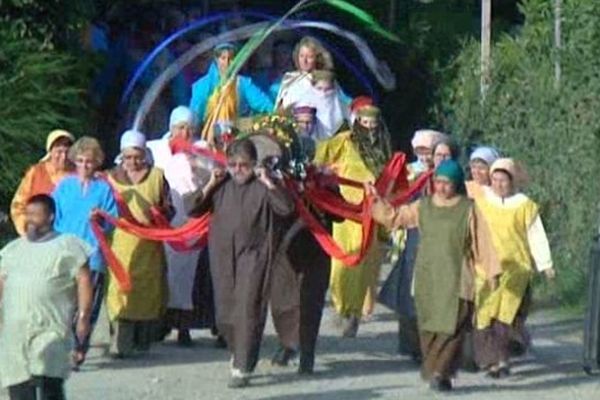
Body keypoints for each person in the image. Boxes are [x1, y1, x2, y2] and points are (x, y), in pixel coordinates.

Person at [369, 160, 500, 392]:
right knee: (429, 328)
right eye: (438, 182)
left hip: (459, 279)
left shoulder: (469, 209)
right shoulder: (424, 206)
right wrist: (376, 201)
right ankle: (436, 370)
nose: (441, 187)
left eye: (446, 183)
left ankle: (441, 372)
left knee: (452, 328)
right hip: (427, 278)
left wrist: (491, 272)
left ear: (457, 184)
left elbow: (483, 242)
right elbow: (395, 217)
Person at [190, 138, 294, 388]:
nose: (238, 169)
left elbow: (286, 208)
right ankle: (237, 351)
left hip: (254, 256)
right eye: (233, 164)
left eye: (244, 165)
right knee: (226, 313)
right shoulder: (221, 184)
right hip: (222, 255)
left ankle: (243, 367)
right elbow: (192, 208)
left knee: (248, 308)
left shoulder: (263, 185)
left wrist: (268, 182)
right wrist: (211, 182)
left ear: (253, 164)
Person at [0, 194, 93, 400]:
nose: (29, 219)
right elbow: (2, 282)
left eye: (35, 214)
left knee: (48, 378)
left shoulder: (68, 245)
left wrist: (84, 317)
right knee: (18, 383)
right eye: (27, 214)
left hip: (51, 326)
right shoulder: (13, 249)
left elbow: (84, 280)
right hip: (15, 329)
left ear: (50, 216)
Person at [313, 103, 391, 337]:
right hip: (345, 210)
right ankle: (340, 307)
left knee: (363, 263)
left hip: (370, 212)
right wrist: (324, 171)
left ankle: (354, 313)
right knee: (341, 260)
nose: (369, 128)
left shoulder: (383, 146)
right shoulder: (346, 140)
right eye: (365, 123)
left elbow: (389, 174)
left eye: (373, 124)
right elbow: (321, 155)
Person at [473, 158, 555, 378]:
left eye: (503, 180)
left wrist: (545, 264)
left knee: (505, 316)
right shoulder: (482, 203)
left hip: (516, 270)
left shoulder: (524, 205)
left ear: (512, 181)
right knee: (484, 315)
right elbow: (472, 233)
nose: (499, 184)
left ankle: (501, 360)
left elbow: (536, 235)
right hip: (486, 269)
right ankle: (490, 359)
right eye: (495, 179)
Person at [378, 128, 449, 361]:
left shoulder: (454, 179)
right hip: (414, 236)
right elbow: (397, 203)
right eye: (422, 151)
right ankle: (415, 346)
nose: (427, 157)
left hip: (445, 245)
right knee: (409, 296)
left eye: (432, 152)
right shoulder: (409, 173)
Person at [52, 136, 119, 368]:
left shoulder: (104, 189)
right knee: (64, 304)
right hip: (65, 253)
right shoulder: (63, 186)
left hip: (93, 255)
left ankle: (80, 348)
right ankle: (65, 346)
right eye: (80, 160)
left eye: (89, 161)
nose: (84, 165)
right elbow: (54, 216)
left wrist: (101, 216)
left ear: (97, 162)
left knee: (87, 307)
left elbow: (113, 220)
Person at [106, 130, 171, 357]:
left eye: (137, 156)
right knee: (121, 291)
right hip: (119, 246)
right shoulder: (110, 178)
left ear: (145, 154)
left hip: (149, 245)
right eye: (128, 157)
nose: (133, 162)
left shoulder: (157, 177)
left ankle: (142, 343)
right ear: (121, 157)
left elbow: (168, 208)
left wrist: (158, 215)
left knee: (146, 293)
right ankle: (120, 345)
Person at [189, 43, 274, 143]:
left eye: (231, 58)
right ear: (216, 60)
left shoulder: (243, 83)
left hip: (236, 135)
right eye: (223, 58)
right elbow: (194, 116)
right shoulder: (203, 85)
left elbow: (265, 105)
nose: (227, 62)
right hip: (208, 137)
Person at [10, 130, 75, 236]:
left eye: (67, 152)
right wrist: (25, 229)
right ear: (51, 152)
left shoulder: (78, 175)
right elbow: (18, 205)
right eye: (59, 152)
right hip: (37, 235)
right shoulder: (36, 172)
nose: (63, 157)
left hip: (66, 237)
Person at [274, 36, 350, 111]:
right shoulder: (291, 78)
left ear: (317, 58)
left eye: (309, 57)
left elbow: (342, 102)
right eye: (301, 56)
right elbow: (281, 109)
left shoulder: (326, 79)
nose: (304, 60)